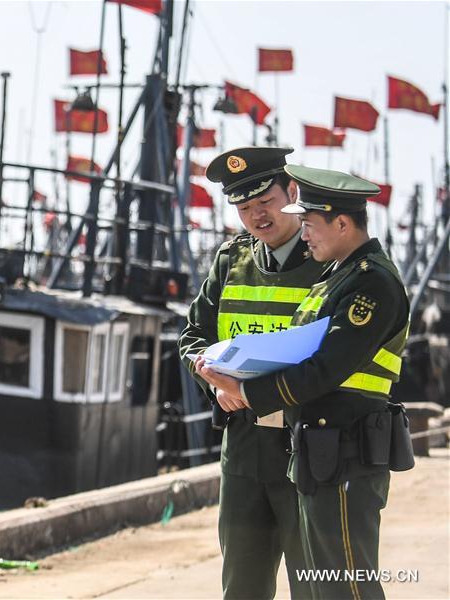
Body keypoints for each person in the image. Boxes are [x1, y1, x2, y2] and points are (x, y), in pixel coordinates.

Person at [196, 165, 411, 600]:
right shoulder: (338, 275)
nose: (305, 235)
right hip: (317, 452)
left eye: (310, 224)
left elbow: (326, 367)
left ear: (342, 223)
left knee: (344, 586)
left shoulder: (371, 283)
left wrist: (246, 392)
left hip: (346, 451)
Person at [179, 147, 325, 599]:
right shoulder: (230, 260)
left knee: (314, 583)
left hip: (309, 445)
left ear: (292, 193)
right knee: (242, 583)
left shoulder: (329, 260)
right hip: (243, 447)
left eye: (265, 202)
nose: (257, 216)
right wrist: (213, 379)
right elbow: (192, 337)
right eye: (244, 208)